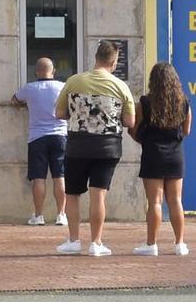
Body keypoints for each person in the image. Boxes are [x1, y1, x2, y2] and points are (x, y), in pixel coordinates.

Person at [54, 41, 137, 257]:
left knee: (72, 194)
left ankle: (73, 240)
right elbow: (129, 121)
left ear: (96, 57)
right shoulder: (120, 87)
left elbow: (59, 113)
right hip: (107, 148)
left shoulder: (73, 81)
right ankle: (96, 243)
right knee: (98, 196)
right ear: (113, 61)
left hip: (77, 146)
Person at [129, 61, 192, 257]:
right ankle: (180, 244)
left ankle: (151, 244)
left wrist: (144, 140)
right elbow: (186, 131)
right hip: (175, 155)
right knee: (176, 201)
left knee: (155, 202)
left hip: (153, 154)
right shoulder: (184, 103)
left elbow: (134, 129)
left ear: (152, 80)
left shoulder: (144, 103)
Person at [11, 57, 67, 227]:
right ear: (54, 71)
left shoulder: (30, 88)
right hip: (60, 136)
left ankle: (39, 216)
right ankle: (61, 215)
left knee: (39, 177)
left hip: (37, 138)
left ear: (36, 72)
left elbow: (14, 99)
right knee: (60, 176)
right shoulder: (62, 87)